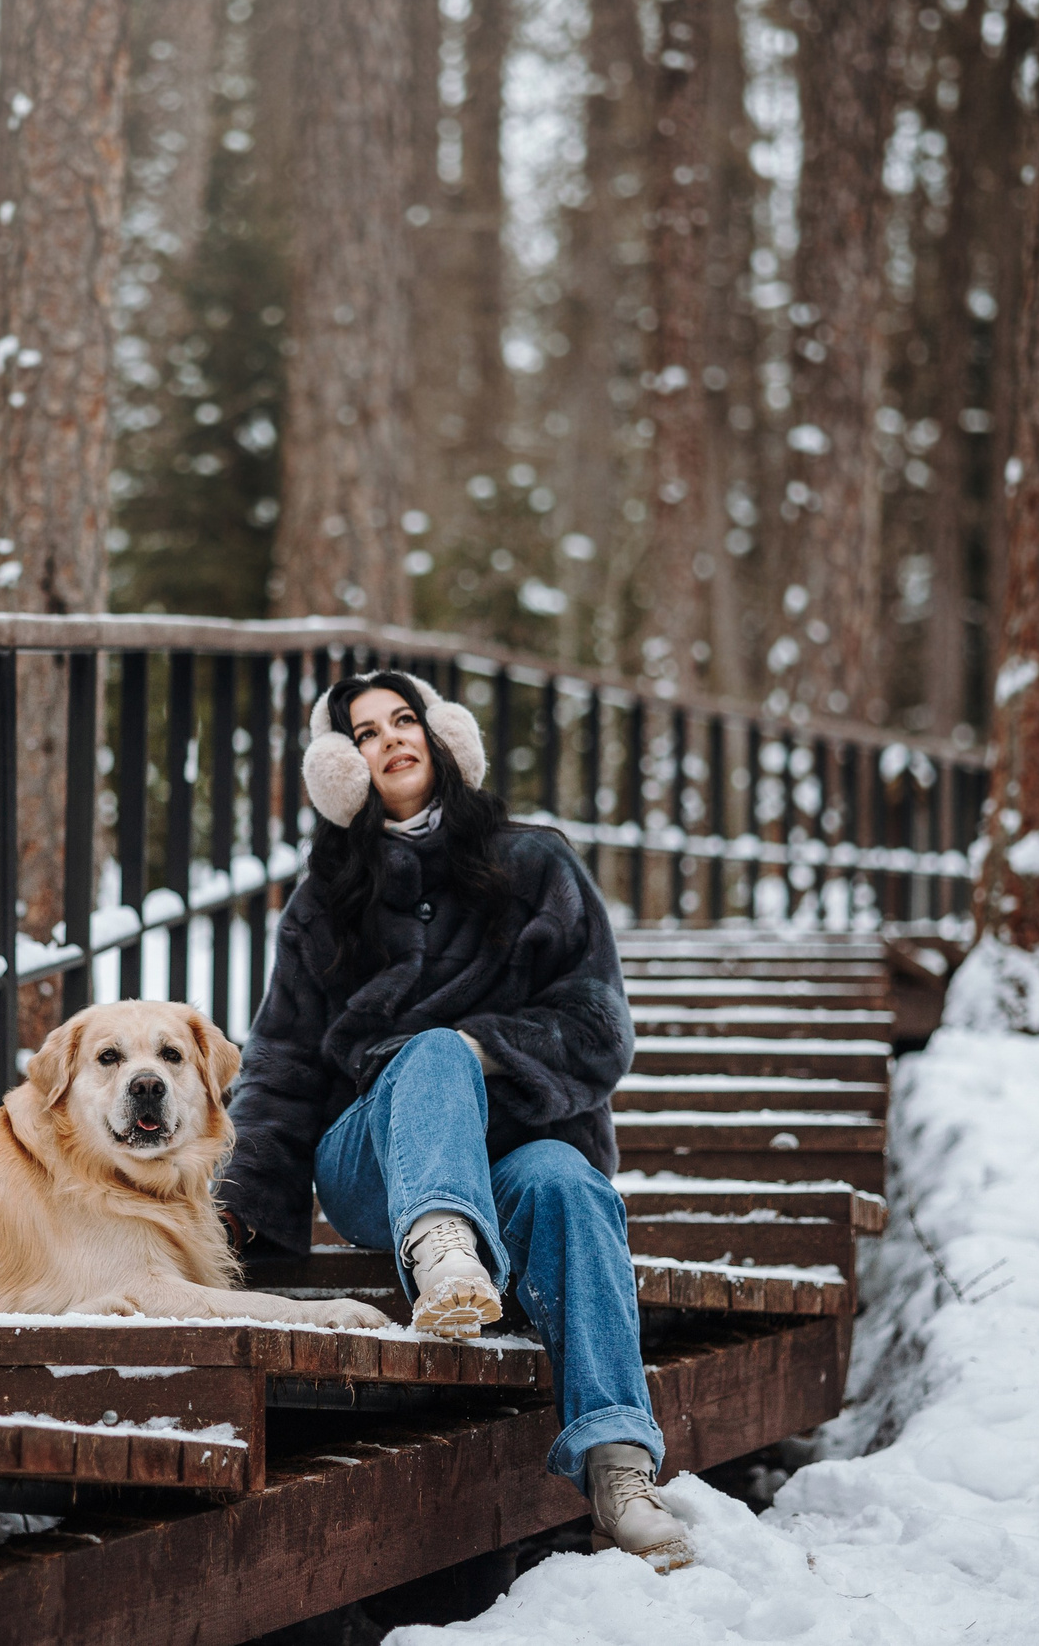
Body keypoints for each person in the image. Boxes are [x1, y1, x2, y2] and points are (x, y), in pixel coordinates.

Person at [218, 669, 694, 1569]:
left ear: (442, 736)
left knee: (567, 1183)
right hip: (375, 1160)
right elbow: (280, 1065)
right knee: (427, 1053)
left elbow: (600, 1025)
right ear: (342, 767)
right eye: (366, 732)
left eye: (405, 719)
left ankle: (619, 1466)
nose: (392, 739)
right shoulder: (324, 902)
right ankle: (441, 1245)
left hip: (515, 1147)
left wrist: (483, 1051)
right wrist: (240, 1204)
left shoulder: (536, 863)